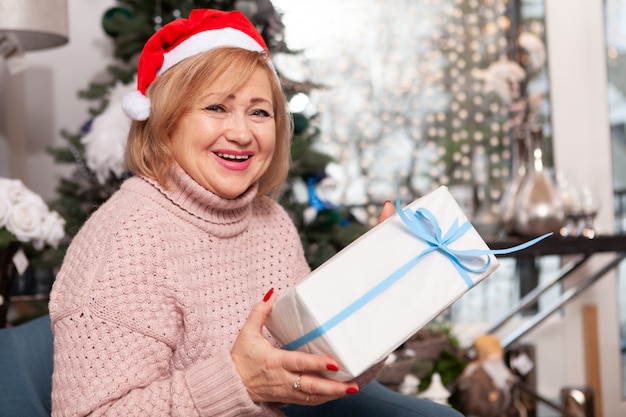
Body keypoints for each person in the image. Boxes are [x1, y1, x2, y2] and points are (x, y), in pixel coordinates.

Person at [49, 8, 464, 417]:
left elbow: (317, 368)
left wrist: (383, 296)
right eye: (216, 107)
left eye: (259, 112)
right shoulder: (125, 237)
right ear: (165, 120)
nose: (243, 133)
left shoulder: (272, 224)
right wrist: (237, 381)